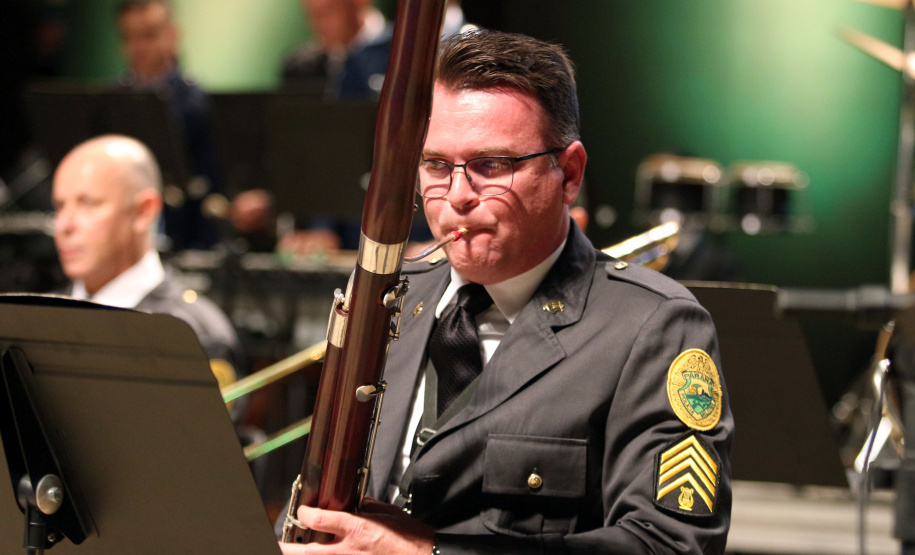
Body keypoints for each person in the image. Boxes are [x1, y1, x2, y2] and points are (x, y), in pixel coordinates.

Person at [279, 30, 733, 554]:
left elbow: (672, 546)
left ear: (569, 174)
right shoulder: (386, 296)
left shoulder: (655, 327)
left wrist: (428, 553)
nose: (456, 197)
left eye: (491, 167)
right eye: (435, 165)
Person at [51, 134, 242, 389]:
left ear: (144, 211)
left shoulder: (194, 334)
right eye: (59, 207)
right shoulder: (31, 318)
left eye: (88, 204)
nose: (64, 225)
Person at [113, 0, 221, 250]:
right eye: (129, 37)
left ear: (172, 36)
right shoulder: (113, 98)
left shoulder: (198, 103)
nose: (139, 47)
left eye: (149, 35)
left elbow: (211, 185)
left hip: (185, 238)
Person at [281, 0, 392, 100]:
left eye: (327, 12)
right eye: (312, 14)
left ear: (358, 3)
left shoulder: (397, 54)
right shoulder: (300, 67)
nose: (319, 24)